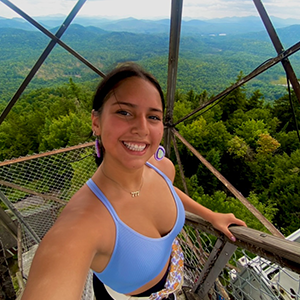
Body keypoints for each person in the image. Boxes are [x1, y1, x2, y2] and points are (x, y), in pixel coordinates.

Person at [21, 63, 246, 300]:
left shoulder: (162, 168)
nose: (141, 128)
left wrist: (210, 215)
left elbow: (169, 191)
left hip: (171, 282)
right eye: (124, 112)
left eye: (153, 116)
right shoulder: (80, 225)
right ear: (96, 122)